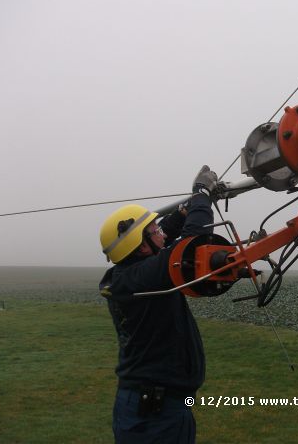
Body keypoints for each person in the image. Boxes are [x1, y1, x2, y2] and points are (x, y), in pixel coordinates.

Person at [98, 165, 219, 444]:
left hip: (154, 406)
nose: (162, 235)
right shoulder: (144, 277)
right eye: (154, 232)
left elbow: (164, 236)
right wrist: (202, 196)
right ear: (141, 247)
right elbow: (192, 244)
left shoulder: (131, 273)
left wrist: (181, 213)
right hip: (155, 415)